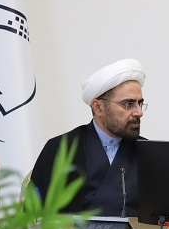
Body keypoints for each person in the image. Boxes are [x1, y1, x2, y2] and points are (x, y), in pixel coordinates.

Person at [31, 59, 146, 217]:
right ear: (98, 107)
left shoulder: (148, 153)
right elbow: (35, 216)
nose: (139, 112)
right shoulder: (60, 148)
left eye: (140, 103)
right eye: (128, 104)